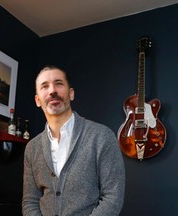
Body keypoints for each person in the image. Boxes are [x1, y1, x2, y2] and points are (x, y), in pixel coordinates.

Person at [22, 66, 125, 216]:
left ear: (71, 94)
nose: (52, 91)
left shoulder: (102, 136)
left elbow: (113, 197)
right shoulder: (32, 147)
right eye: (45, 86)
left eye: (59, 83)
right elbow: (30, 201)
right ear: (38, 100)